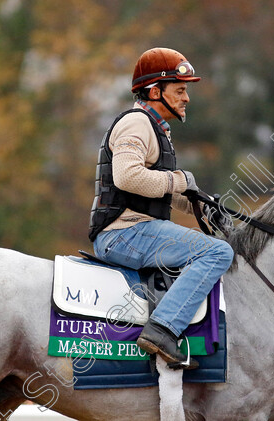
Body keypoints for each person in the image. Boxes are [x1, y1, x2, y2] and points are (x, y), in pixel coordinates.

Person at [88, 47, 234, 370]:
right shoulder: (137, 124)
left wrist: (204, 206)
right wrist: (179, 181)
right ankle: (163, 330)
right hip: (123, 233)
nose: (187, 98)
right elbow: (127, 177)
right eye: (180, 90)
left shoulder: (156, 129)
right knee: (217, 254)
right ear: (155, 92)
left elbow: (161, 190)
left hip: (137, 230)